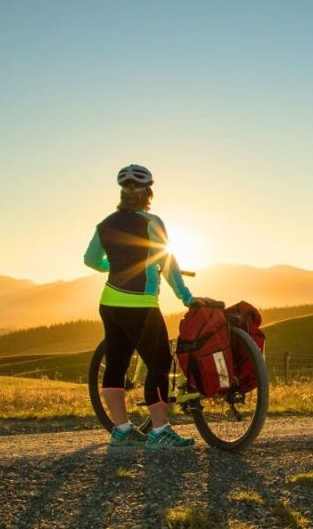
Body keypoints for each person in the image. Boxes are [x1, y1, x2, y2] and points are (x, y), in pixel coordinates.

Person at [83, 164, 217, 449]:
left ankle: (121, 429)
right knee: (159, 363)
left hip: (109, 302)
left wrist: (114, 265)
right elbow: (167, 262)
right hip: (140, 306)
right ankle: (159, 431)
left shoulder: (104, 224)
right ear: (148, 193)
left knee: (117, 363)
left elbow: (91, 260)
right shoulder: (151, 221)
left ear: (122, 192)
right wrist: (186, 296)